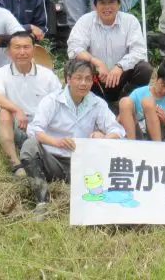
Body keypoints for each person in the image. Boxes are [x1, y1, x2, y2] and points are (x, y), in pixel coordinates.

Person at [20, 59, 125, 217]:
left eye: (88, 79)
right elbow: (35, 130)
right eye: (78, 78)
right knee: (29, 146)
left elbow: (117, 129)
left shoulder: (97, 103)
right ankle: (42, 201)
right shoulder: (52, 100)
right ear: (68, 79)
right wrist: (57, 142)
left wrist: (104, 137)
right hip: (53, 160)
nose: (83, 83)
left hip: (84, 163)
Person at [0, 31, 61, 177]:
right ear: (9, 51)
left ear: (34, 49)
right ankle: (15, 163)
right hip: (12, 123)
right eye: (17, 47)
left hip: (40, 126)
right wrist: (17, 109)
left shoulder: (47, 75)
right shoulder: (1, 73)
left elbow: (59, 101)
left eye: (26, 47)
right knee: (4, 111)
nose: (22, 52)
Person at [66, 0, 152, 104]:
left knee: (144, 69)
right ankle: (85, 103)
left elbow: (139, 51)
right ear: (95, 6)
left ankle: (125, 103)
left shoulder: (130, 21)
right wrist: (97, 63)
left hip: (121, 77)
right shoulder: (85, 20)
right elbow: (74, 48)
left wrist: (120, 67)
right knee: (71, 65)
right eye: (102, 3)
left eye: (111, 2)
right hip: (94, 77)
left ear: (119, 5)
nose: (107, 7)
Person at [117, 60, 165, 142]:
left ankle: (157, 147)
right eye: (164, 84)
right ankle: (131, 144)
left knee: (148, 103)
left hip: (160, 136)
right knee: (125, 102)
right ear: (156, 78)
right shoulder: (138, 93)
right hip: (137, 135)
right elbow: (122, 117)